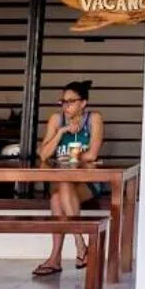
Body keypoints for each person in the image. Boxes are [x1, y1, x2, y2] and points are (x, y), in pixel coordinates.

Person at [33, 80, 105, 277]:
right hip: (62, 183)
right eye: (63, 101)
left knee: (60, 191)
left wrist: (71, 158)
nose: (66, 106)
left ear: (83, 103)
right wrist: (61, 132)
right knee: (58, 195)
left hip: (87, 183)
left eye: (71, 101)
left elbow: (92, 154)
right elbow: (44, 154)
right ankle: (80, 245)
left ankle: (55, 258)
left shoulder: (93, 119)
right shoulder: (56, 120)